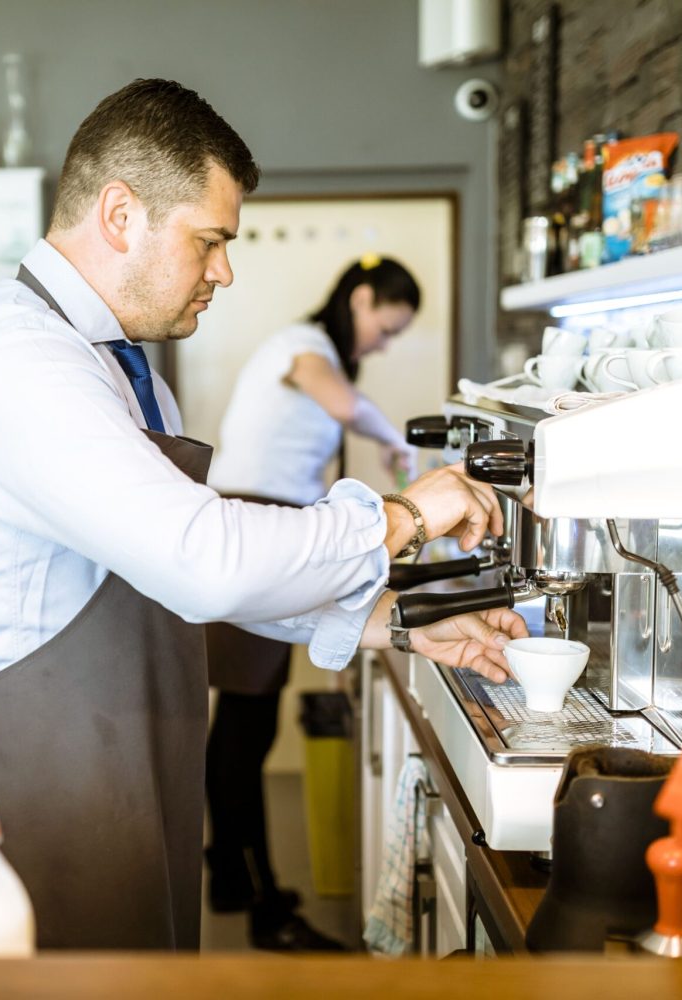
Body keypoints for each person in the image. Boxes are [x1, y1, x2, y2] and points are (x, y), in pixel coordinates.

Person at [0, 78, 526, 952]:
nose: (224, 270)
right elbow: (202, 557)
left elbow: (169, 583)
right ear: (120, 214)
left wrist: (398, 621)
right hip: (19, 815)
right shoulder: (15, 363)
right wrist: (402, 514)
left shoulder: (113, 367)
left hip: (114, 788)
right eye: (209, 240)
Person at [203, 255, 425, 950]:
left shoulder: (318, 348)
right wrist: (397, 442)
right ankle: (265, 906)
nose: (381, 345)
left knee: (246, 724)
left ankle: (232, 877)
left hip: (269, 532)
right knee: (245, 730)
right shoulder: (304, 347)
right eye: (384, 328)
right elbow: (336, 400)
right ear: (359, 298)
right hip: (254, 530)